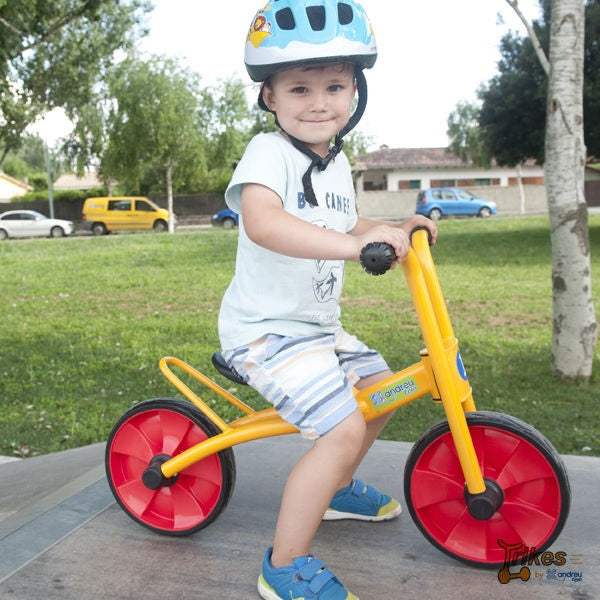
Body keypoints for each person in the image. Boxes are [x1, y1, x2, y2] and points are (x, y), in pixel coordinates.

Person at [218, 2, 438, 598]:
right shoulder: (270, 154)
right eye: (299, 88)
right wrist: (352, 248)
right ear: (270, 97)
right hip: (266, 333)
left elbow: (345, 219)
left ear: (355, 90)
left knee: (383, 389)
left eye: (335, 85)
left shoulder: (336, 162)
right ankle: (284, 565)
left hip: (318, 329)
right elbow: (264, 223)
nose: (319, 103)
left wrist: (392, 226)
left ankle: (334, 488)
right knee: (342, 429)